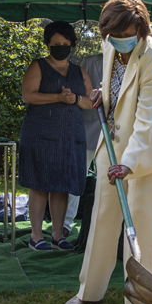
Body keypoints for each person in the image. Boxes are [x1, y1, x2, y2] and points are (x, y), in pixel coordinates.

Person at [63, 0, 152, 304]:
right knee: (103, 217)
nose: (120, 42)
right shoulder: (110, 45)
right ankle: (88, 292)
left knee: (141, 222)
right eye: (114, 36)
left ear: (142, 29)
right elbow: (118, 87)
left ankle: (137, 303)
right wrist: (103, 95)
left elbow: (147, 120)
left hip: (151, 152)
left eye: (127, 35)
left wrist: (128, 163)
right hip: (113, 143)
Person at [18, 21, 93, 250]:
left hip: (70, 137)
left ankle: (58, 236)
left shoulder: (80, 71)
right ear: (48, 44)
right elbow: (28, 96)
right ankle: (36, 236)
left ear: (72, 44)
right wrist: (58, 98)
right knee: (40, 184)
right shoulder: (38, 66)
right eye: (56, 44)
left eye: (65, 43)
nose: (61, 47)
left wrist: (76, 100)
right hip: (40, 135)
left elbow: (91, 101)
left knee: (62, 185)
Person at [63, 52, 104, 237]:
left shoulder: (135, 61)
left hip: (117, 130)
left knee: (110, 178)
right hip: (88, 127)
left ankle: (104, 225)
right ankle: (65, 223)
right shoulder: (90, 62)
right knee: (77, 176)